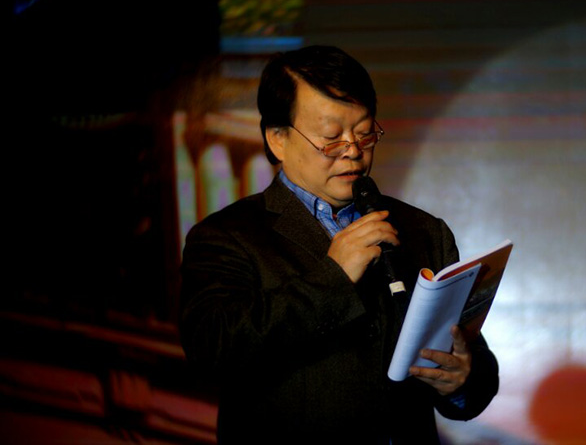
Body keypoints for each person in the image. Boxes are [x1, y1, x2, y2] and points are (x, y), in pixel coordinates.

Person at [179, 45, 499, 444]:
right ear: (277, 139)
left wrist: (463, 380)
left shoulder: (422, 231)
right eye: (331, 138)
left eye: (365, 134)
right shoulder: (228, 236)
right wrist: (333, 277)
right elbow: (212, 351)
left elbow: (474, 370)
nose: (353, 151)